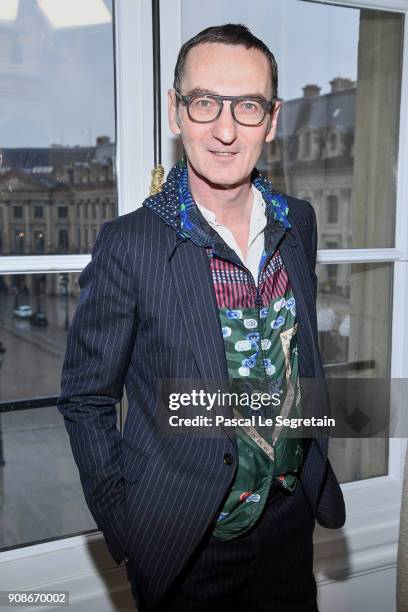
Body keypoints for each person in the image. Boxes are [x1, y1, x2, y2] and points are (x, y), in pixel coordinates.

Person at [58, 23, 345, 612]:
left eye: (247, 106)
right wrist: (129, 526)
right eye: (205, 102)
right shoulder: (129, 243)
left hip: (289, 523)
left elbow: (297, 355)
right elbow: (86, 399)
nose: (223, 128)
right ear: (175, 112)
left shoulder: (301, 221)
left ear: (271, 118)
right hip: (185, 541)